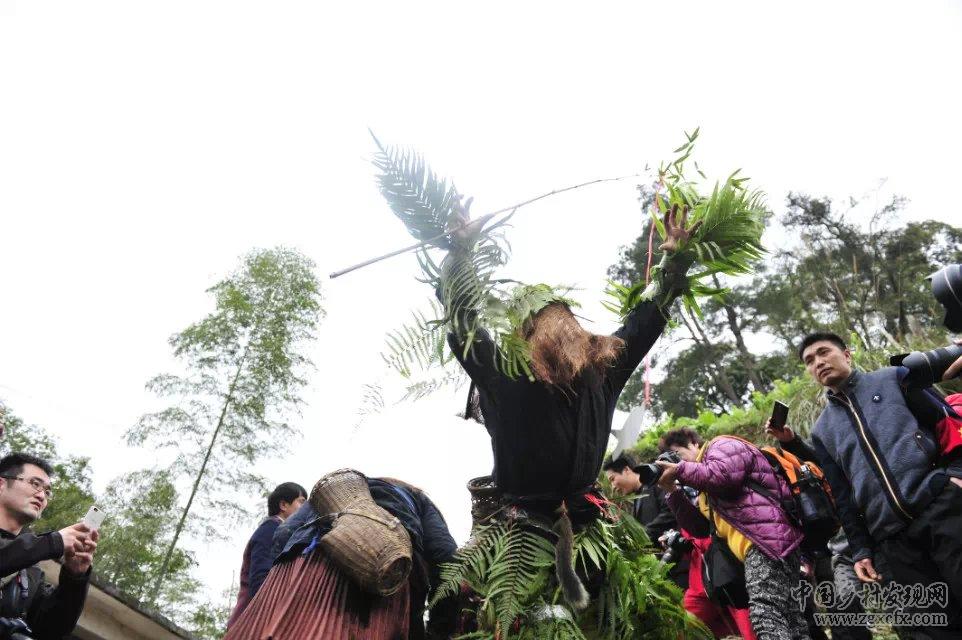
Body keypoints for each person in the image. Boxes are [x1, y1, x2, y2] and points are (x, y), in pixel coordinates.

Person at [799, 332, 962, 639]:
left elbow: (949, 421)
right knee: (931, 630)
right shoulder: (822, 430)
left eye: (824, 352)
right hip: (892, 539)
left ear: (847, 354)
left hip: (941, 510)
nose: (819, 362)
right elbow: (843, 496)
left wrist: (955, 476)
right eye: (810, 361)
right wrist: (861, 549)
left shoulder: (894, 379)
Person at [224, 474, 457, 640]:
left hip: (303, 565)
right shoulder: (416, 498)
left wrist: (279, 590)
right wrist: (440, 629)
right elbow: (447, 559)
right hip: (383, 583)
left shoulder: (335, 491)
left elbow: (284, 533)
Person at [656, 427, 810, 640]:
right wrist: (672, 491)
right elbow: (700, 529)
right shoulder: (702, 481)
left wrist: (680, 470)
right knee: (791, 621)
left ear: (693, 443)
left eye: (678, 455)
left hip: (765, 542)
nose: (677, 463)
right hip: (759, 547)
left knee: (765, 615)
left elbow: (724, 477)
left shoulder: (721, 445)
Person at [0, 453, 98, 640]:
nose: (41, 495)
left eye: (47, 491)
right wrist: (54, 541)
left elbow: (51, 629)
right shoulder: (32, 552)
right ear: (1, 484)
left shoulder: (30, 572)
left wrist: (74, 576)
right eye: (35, 484)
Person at [226, 482, 307, 627]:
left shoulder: (285, 535)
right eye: (301, 502)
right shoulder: (272, 528)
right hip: (251, 622)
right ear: (283, 505)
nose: (305, 510)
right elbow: (260, 579)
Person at [603, 453, 689, 589]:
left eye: (612, 479)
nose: (613, 486)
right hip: (665, 568)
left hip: (682, 562)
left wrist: (641, 536)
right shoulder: (637, 497)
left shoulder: (656, 482)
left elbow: (671, 510)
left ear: (626, 470)